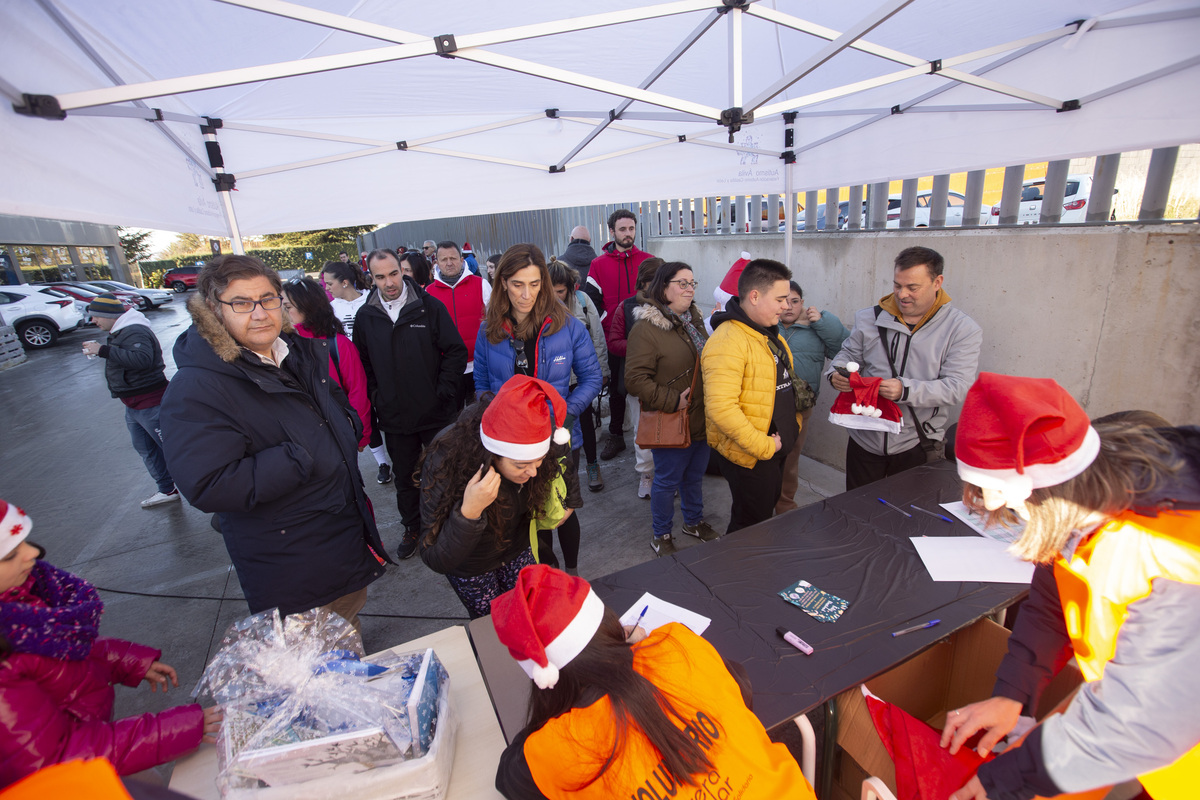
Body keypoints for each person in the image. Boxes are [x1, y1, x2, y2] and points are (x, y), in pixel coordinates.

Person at [939, 374, 1200, 800]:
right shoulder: (1084, 501)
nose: (994, 509)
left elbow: (1138, 723)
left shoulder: (1170, 553)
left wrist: (1007, 781)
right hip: (1151, 749)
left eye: (997, 498)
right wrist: (1014, 694)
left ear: (1038, 489)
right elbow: (1051, 604)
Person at [160, 255, 388, 629]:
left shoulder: (294, 354)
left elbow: (332, 415)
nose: (260, 313)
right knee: (315, 666)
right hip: (292, 567)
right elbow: (207, 483)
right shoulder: (198, 387)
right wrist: (296, 459)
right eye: (241, 303)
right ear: (214, 312)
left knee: (347, 633)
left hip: (338, 543)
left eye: (267, 299)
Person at [490, 564, 815, 799]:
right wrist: (633, 652)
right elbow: (739, 685)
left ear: (541, 676)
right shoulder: (675, 642)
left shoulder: (558, 747)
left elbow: (508, 777)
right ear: (609, 623)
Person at [0, 500, 222, 787]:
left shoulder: (23, 598)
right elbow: (58, 757)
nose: (33, 552)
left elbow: (61, 652)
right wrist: (181, 727)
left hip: (99, 751)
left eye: (26, 542)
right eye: (9, 554)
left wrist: (128, 661)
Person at [474, 244, 602, 576]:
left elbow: (592, 377)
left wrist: (567, 414)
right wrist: (500, 418)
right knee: (529, 516)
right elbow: (482, 384)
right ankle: (546, 577)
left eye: (534, 284)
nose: (526, 294)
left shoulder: (569, 325)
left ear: (543, 282)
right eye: (517, 284)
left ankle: (572, 575)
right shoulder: (489, 329)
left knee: (562, 510)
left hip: (558, 437)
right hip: (512, 446)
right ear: (502, 282)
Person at [827, 246, 981, 491]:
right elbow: (847, 354)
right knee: (858, 514)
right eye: (897, 285)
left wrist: (905, 391)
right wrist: (837, 373)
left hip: (917, 443)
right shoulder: (868, 318)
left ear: (937, 282)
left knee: (907, 520)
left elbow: (957, 387)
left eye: (913, 287)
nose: (902, 294)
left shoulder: (961, 329)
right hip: (865, 437)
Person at [418, 377, 574, 618]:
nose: (533, 472)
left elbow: (562, 455)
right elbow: (434, 556)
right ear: (492, 455)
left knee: (529, 612)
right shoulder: (445, 460)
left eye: (539, 461)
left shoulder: (539, 438)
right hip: (471, 567)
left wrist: (571, 500)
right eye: (521, 465)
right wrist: (468, 513)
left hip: (518, 549)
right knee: (493, 625)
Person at [354, 249, 469, 560]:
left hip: (435, 413)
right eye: (380, 277)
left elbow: (456, 352)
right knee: (405, 478)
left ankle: (446, 524)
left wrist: (443, 391)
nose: (389, 282)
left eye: (393, 273)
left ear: (401, 270)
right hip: (395, 418)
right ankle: (413, 527)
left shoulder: (429, 306)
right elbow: (362, 364)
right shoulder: (366, 316)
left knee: (443, 471)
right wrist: (378, 397)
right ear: (371, 277)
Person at [703, 259, 810, 534]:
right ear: (754, 296)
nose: (786, 306)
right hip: (751, 455)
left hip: (774, 448)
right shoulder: (728, 341)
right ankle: (739, 572)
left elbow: (786, 387)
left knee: (763, 515)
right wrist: (764, 447)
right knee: (749, 525)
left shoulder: (768, 334)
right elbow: (722, 410)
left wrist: (792, 427)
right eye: (781, 299)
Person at [625, 261, 719, 557]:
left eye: (692, 283)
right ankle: (661, 533)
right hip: (672, 418)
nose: (689, 288)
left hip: (701, 417)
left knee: (694, 475)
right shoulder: (646, 328)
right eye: (682, 283)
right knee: (666, 481)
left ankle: (693, 521)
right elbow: (635, 379)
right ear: (663, 288)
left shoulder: (693, 320)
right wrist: (672, 400)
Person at [80, 294, 180, 509]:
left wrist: (103, 350)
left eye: (96, 316)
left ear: (109, 315)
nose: (94, 321)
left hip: (150, 402)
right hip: (133, 404)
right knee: (146, 449)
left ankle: (215, 496)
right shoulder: (121, 331)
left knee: (174, 449)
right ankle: (167, 490)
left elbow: (142, 360)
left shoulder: (135, 330)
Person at [775, 281, 849, 514]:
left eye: (794, 301)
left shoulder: (817, 330)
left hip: (800, 406)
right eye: (783, 301)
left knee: (791, 458)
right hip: (766, 404)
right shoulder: (765, 325)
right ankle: (762, 503)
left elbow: (844, 348)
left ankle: (785, 504)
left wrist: (824, 322)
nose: (789, 307)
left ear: (803, 304)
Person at [588, 209, 654, 460]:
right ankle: (616, 435)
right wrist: (612, 325)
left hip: (648, 341)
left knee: (647, 388)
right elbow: (594, 304)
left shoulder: (648, 260)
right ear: (612, 231)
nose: (628, 234)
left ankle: (651, 435)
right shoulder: (598, 264)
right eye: (623, 229)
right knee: (617, 389)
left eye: (631, 229)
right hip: (614, 340)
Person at [281, 277, 372, 451]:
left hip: (336, 434)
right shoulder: (278, 345)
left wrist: (360, 434)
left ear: (308, 307)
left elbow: (357, 391)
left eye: (288, 308)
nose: (282, 314)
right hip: (297, 440)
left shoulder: (338, 345)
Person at [324, 260, 393, 484]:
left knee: (387, 412)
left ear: (344, 282)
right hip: (351, 371)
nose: (327, 288)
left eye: (329, 283)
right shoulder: (331, 309)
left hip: (378, 367)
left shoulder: (371, 300)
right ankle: (382, 462)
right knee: (365, 417)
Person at [548, 258, 608, 493]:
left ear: (571, 287)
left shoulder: (583, 302)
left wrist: (602, 372)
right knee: (558, 428)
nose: (554, 297)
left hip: (581, 380)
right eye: (549, 291)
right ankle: (560, 473)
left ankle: (592, 465)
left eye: (560, 291)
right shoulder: (538, 308)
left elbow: (598, 338)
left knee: (585, 422)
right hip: (554, 381)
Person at [604, 257, 661, 497]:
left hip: (669, 381)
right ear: (646, 283)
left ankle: (667, 475)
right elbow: (614, 342)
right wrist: (645, 346)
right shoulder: (625, 307)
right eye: (660, 281)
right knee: (643, 431)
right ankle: (647, 475)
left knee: (670, 430)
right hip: (639, 382)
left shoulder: (675, 306)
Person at [426, 240, 492, 410]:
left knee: (478, 417)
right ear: (437, 263)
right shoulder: (428, 293)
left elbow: (495, 319)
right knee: (452, 421)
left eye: (453, 258)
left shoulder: (480, 284)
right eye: (444, 259)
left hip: (478, 367)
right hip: (447, 370)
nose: (449, 263)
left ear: (462, 260)